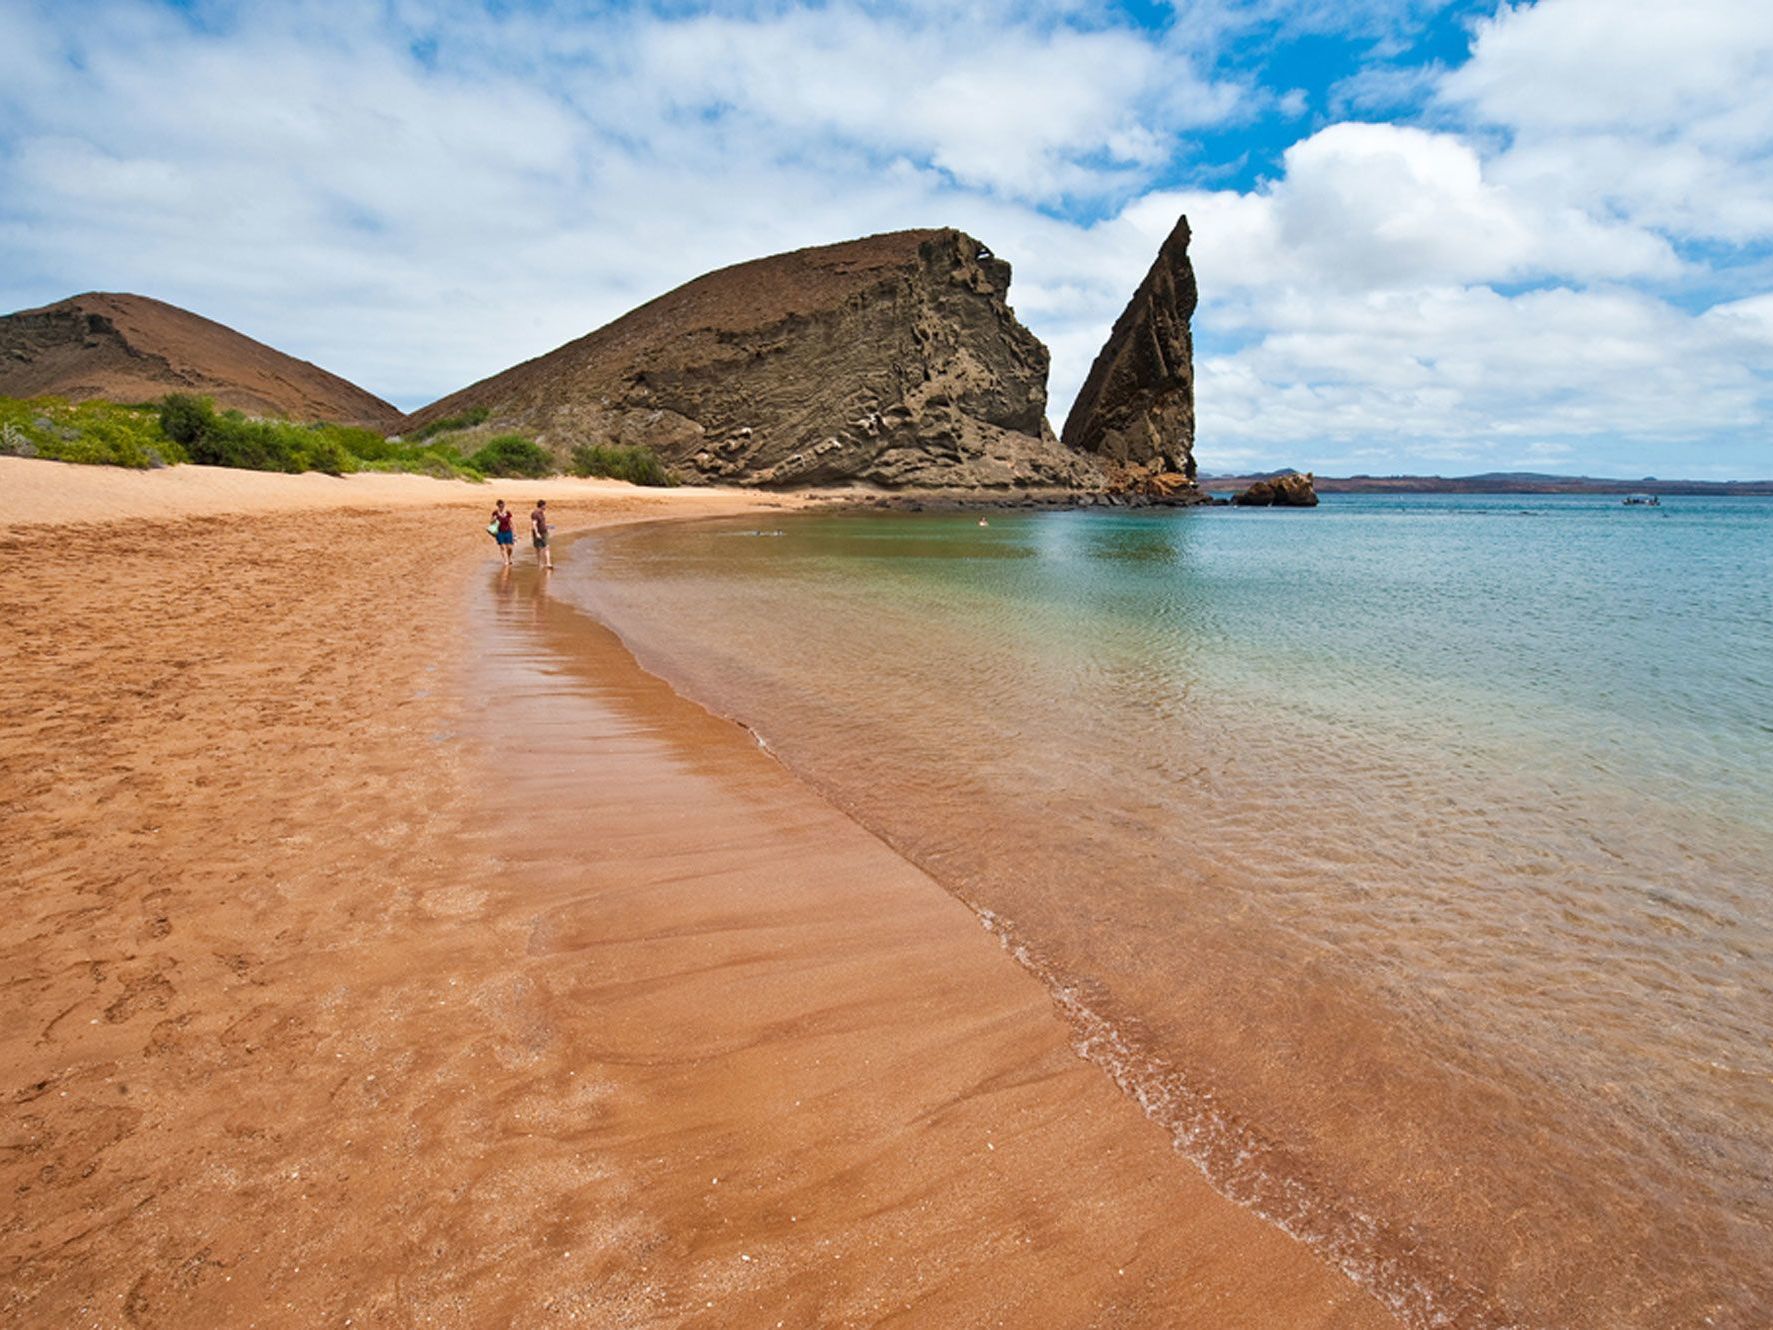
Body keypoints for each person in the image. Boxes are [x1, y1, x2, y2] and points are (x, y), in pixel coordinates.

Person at [490, 499, 515, 568]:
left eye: (503, 506)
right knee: (502, 546)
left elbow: (511, 522)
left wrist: (514, 532)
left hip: (508, 531)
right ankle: (505, 560)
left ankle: (509, 558)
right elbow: (491, 523)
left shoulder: (507, 513)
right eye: (500, 506)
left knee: (510, 547)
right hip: (499, 532)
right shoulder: (495, 513)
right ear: (498, 506)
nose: (502, 507)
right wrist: (494, 519)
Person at [530, 499, 553, 570]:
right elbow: (534, 524)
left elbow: (542, 522)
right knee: (538, 548)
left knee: (547, 547)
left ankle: (548, 563)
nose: (546, 507)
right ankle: (540, 563)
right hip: (538, 533)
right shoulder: (535, 513)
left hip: (544, 532)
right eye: (545, 506)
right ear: (542, 506)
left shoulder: (542, 513)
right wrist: (537, 533)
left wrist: (547, 526)